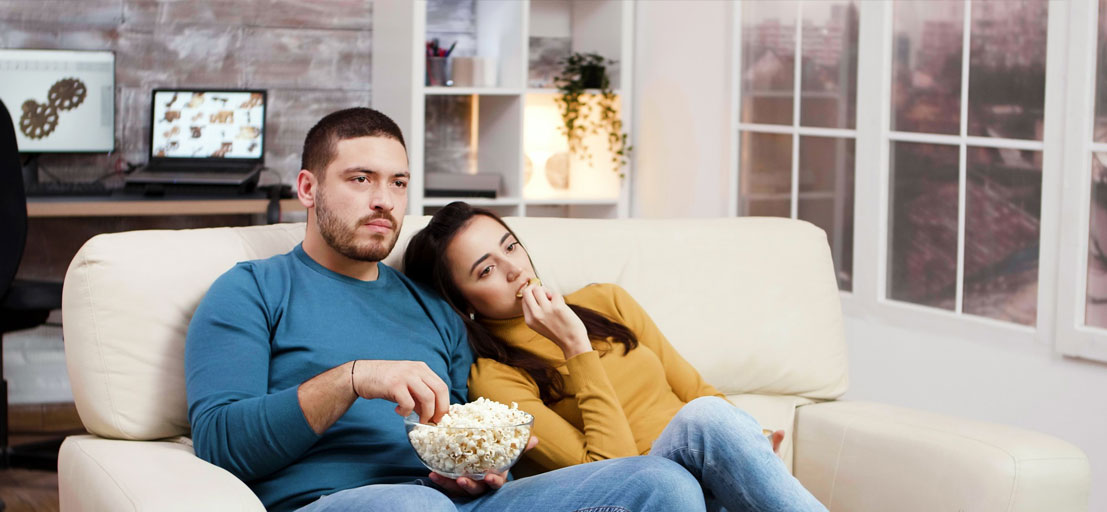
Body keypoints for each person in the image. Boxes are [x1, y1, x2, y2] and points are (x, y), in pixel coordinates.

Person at [184, 108, 708, 512]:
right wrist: (351, 379)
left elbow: (450, 438)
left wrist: (476, 468)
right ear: (308, 188)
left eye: (398, 182)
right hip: (341, 501)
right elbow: (221, 444)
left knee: (662, 483)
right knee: (417, 504)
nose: (384, 200)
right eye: (360, 179)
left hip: (458, 503)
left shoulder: (434, 309)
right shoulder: (251, 290)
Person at [402, 201, 829, 512]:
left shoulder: (607, 300)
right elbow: (613, 473)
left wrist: (750, 444)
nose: (514, 268)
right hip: (651, 491)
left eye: (510, 247)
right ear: (464, 303)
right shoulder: (494, 379)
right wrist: (575, 347)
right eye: (486, 270)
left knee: (711, 416)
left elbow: (696, 390)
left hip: (709, 471)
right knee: (705, 421)